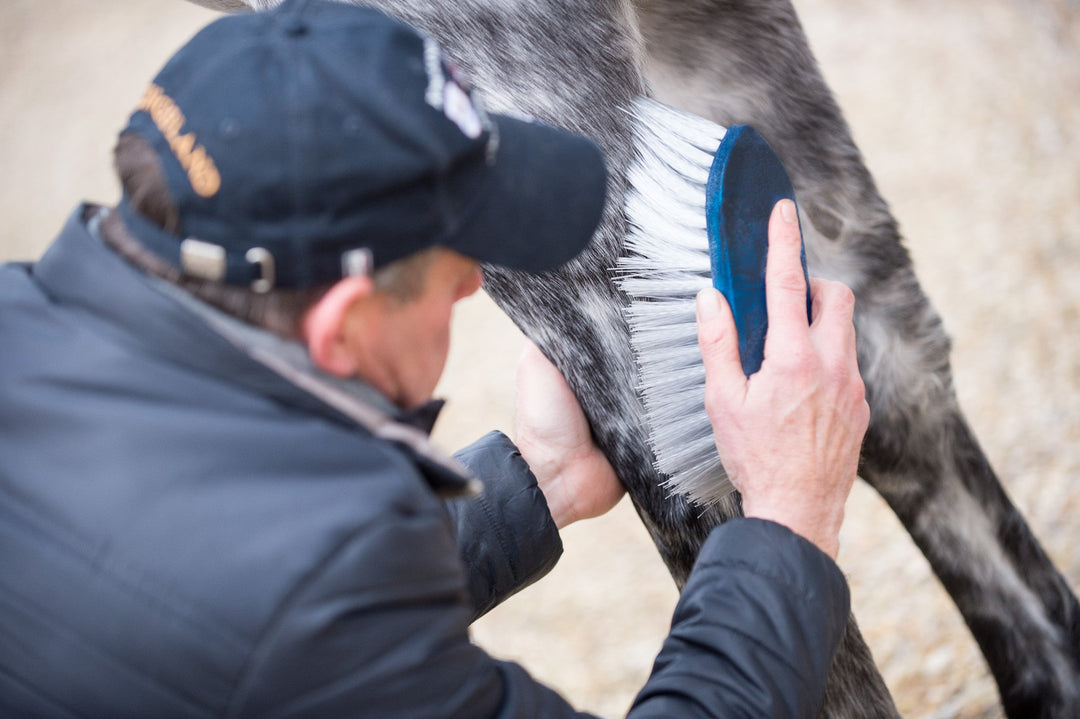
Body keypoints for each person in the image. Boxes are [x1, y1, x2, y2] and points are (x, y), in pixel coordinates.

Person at [0, 1, 869, 717]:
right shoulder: (308, 612)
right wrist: (788, 519)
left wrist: (538, 479)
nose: (471, 290)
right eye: (461, 267)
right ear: (341, 326)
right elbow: (297, 625)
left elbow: (205, 590)